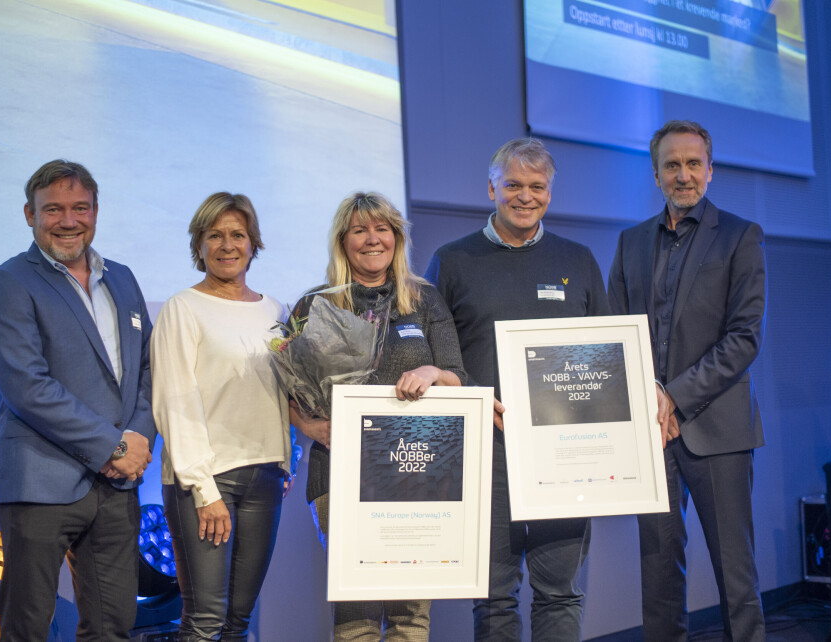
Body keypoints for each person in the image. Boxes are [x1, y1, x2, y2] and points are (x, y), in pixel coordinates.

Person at [425, 138, 609, 641]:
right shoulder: (452, 261)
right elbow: (432, 360)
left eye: (537, 186)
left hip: (564, 456)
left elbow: (607, 359)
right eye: (513, 185)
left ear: (550, 192)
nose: (525, 196)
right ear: (491, 188)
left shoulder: (579, 260)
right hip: (487, 458)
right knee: (494, 598)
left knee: (560, 592)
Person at [0, 160, 156, 641]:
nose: (68, 220)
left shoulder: (122, 278)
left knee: (113, 627)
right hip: (40, 480)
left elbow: (146, 369)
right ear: (29, 215)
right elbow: (27, 388)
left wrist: (137, 437)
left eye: (80, 207)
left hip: (117, 490)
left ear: (96, 211)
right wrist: (113, 448)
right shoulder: (7, 283)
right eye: (52, 209)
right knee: (28, 627)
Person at [607, 120, 766, 641]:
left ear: (710, 170)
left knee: (736, 583)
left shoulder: (741, 236)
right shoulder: (630, 243)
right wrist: (646, 400)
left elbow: (743, 339)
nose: (683, 175)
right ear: (656, 176)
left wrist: (671, 397)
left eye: (693, 163)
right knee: (658, 585)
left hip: (717, 433)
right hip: (650, 439)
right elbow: (615, 334)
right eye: (671, 165)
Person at [291, 191, 467, 641]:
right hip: (342, 472)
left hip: (418, 470)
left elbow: (459, 380)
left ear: (397, 237)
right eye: (359, 230)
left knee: (411, 612)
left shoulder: (425, 300)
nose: (372, 239)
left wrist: (433, 372)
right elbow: (286, 387)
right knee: (357, 611)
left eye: (382, 228)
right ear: (343, 241)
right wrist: (310, 426)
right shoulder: (317, 303)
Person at [151, 192, 294, 641]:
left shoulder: (276, 310)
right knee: (205, 621)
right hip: (208, 483)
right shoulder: (182, 308)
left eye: (238, 235)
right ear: (199, 246)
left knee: (238, 622)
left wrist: (285, 457)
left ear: (254, 244)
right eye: (215, 235)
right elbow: (175, 401)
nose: (227, 245)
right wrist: (203, 489)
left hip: (265, 477)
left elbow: (284, 391)